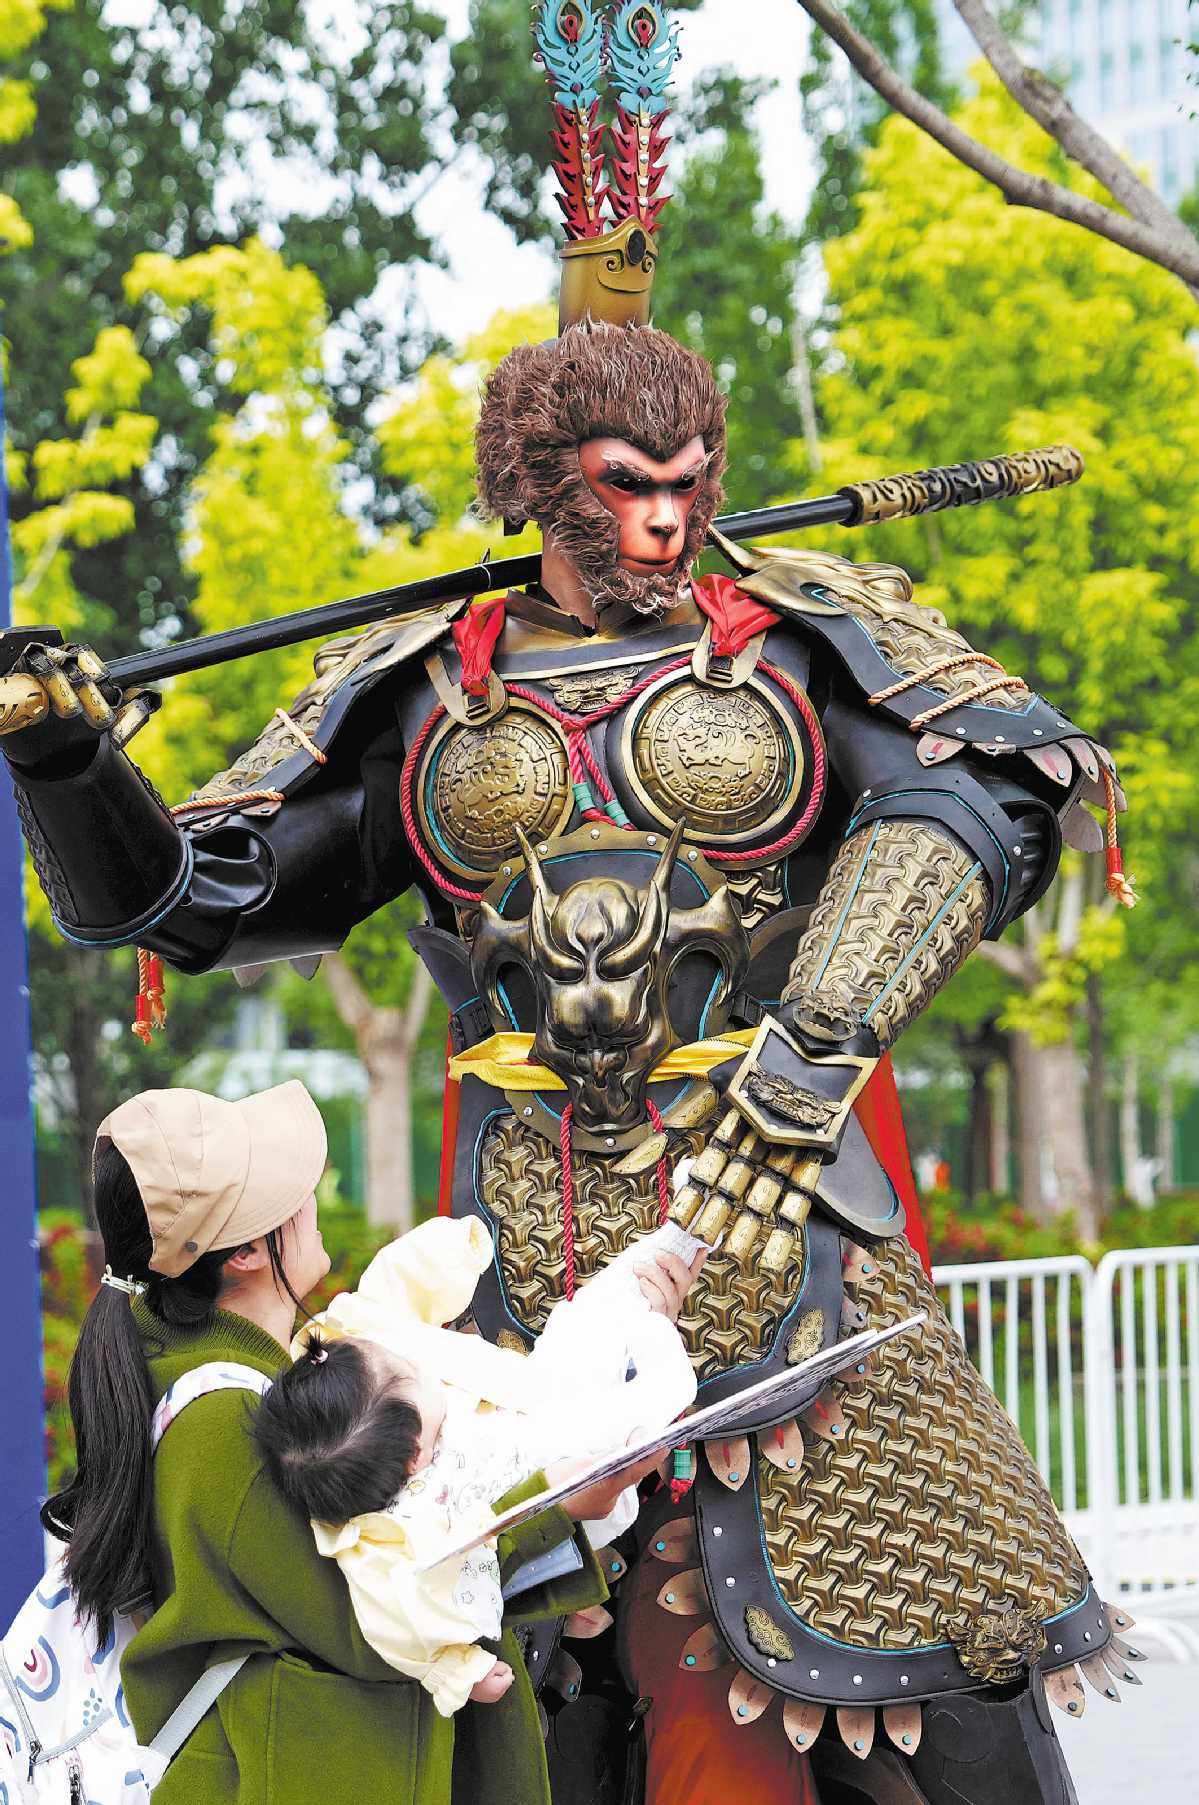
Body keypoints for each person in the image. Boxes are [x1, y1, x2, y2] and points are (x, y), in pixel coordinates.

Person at [4, 5, 1129, 1800]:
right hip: (510, 1283)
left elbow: (995, 783)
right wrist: (68, 765)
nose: (669, 526)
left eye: (689, 488)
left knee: (949, 1696)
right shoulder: (418, 693)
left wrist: (813, 1042)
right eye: (626, 490)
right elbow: (186, 901)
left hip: (785, 1228)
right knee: (534, 1723)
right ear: (536, 484)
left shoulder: (795, 636)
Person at [44, 1079, 684, 1805]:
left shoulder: (235, 1379)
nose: (311, 1195)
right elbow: (378, 1617)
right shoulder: (228, 1423)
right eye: (287, 1190)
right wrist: (557, 1507)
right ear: (247, 1251)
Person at [253, 1214, 707, 1719]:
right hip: (555, 1462)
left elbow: (391, 1290)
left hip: (537, 1389)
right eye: (412, 1375)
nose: (416, 1364)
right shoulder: (386, 1538)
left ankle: (670, 1245)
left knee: (582, 1322)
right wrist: (455, 1671)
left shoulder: (355, 1357)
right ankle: (661, 1354)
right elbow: (394, 1619)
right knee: (631, 1414)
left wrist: (454, 1250)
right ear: (416, 1453)